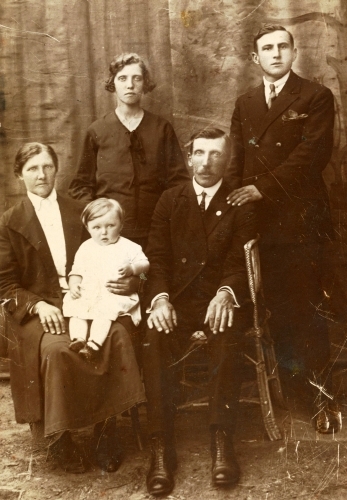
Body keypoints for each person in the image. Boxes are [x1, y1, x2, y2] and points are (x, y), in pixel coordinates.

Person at [0, 143, 145, 474]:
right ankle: (59, 436)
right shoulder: (9, 223)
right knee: (56, 350)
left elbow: (115, 251)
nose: (41, 174)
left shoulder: (79, 210)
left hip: (88, 295)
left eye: (47, 166)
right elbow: (6, 285)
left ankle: (105, 430)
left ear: (56, 169)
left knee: (118, 334)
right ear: (20, 175)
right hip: (41, 306)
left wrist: (124, 281)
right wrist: (36, 305)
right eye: (33, 168)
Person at [227, 24, 340, 432]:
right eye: (266, 49)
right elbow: (237, 163)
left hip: (303, 224)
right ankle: (292, 393)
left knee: (307, 311)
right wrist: (243, 217)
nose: (275, 54)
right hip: (263, 225)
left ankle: (321, 399)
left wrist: (262, 188)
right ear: (254, 58)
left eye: (282, 47)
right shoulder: (245, 102)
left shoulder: (315, 96)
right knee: (277, 314)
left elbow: (313, 155)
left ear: (294, 52)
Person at [142, 128, 256, 496]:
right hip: (176, 301)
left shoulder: (240, 204)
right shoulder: (169, 200)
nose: (206, 163)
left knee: (226, 333)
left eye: (215, 155)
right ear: (189, 158)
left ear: (228, 161)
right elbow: (157, 259)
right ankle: (161, 448)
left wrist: (226, 294)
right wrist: (159, 299)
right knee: (154, 336)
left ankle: (222, 444)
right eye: (200, 154)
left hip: (217, 301)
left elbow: (241, 262)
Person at [68, 52, 190, 248]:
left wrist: (167, 217)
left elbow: (179, 182)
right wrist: (99, 218)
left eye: (137, 78)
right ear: (113, 83)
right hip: (110, 235)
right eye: (122, 78)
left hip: (156, 230)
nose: (130, 85)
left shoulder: (161, 128)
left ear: (145, 84)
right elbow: (81, 185)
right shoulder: (98, 130)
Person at [63, 198, 149, 361]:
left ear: (121, 225)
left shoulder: (129, 247)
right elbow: (76, 271)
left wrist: (133, 269)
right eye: (96, 227)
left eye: (110, 226)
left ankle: (94, 344)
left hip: (114, 294)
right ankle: (78, 339)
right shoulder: (85, 247)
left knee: (105, 311)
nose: (103, 232)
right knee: (76, 308)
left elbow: (145, 266)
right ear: (88, 228)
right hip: (90, 293)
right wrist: (74, 284)